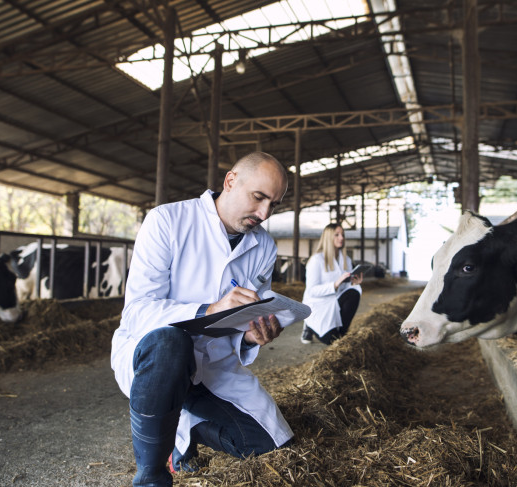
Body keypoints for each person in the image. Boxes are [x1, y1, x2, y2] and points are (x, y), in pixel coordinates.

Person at [110, 152, 293, 487]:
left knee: (271, 445)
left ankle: (184, 424)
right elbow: (138, 311)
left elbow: (243, 317)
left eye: (274, 204)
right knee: (170, 342)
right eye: (259, 197)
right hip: (155, 359)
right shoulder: (167, 220)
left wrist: (250, 335)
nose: (264, 213)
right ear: (231, 181)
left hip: (213, 364)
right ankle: (152, 475)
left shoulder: (264, 246)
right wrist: (207, 310)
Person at [300, 223, 363, 345]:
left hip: (336, 301)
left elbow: (346, 288)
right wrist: (334, 284)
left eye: (343, 235)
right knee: (330, 340)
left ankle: (342, 333)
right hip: (319, 305)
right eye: (337, 235)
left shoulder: (346, 260)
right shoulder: (316, 260)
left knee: (354, 293)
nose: (341, 238)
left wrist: (354, 283)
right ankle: (309, 325)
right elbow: (312, 291)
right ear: (328, 237)